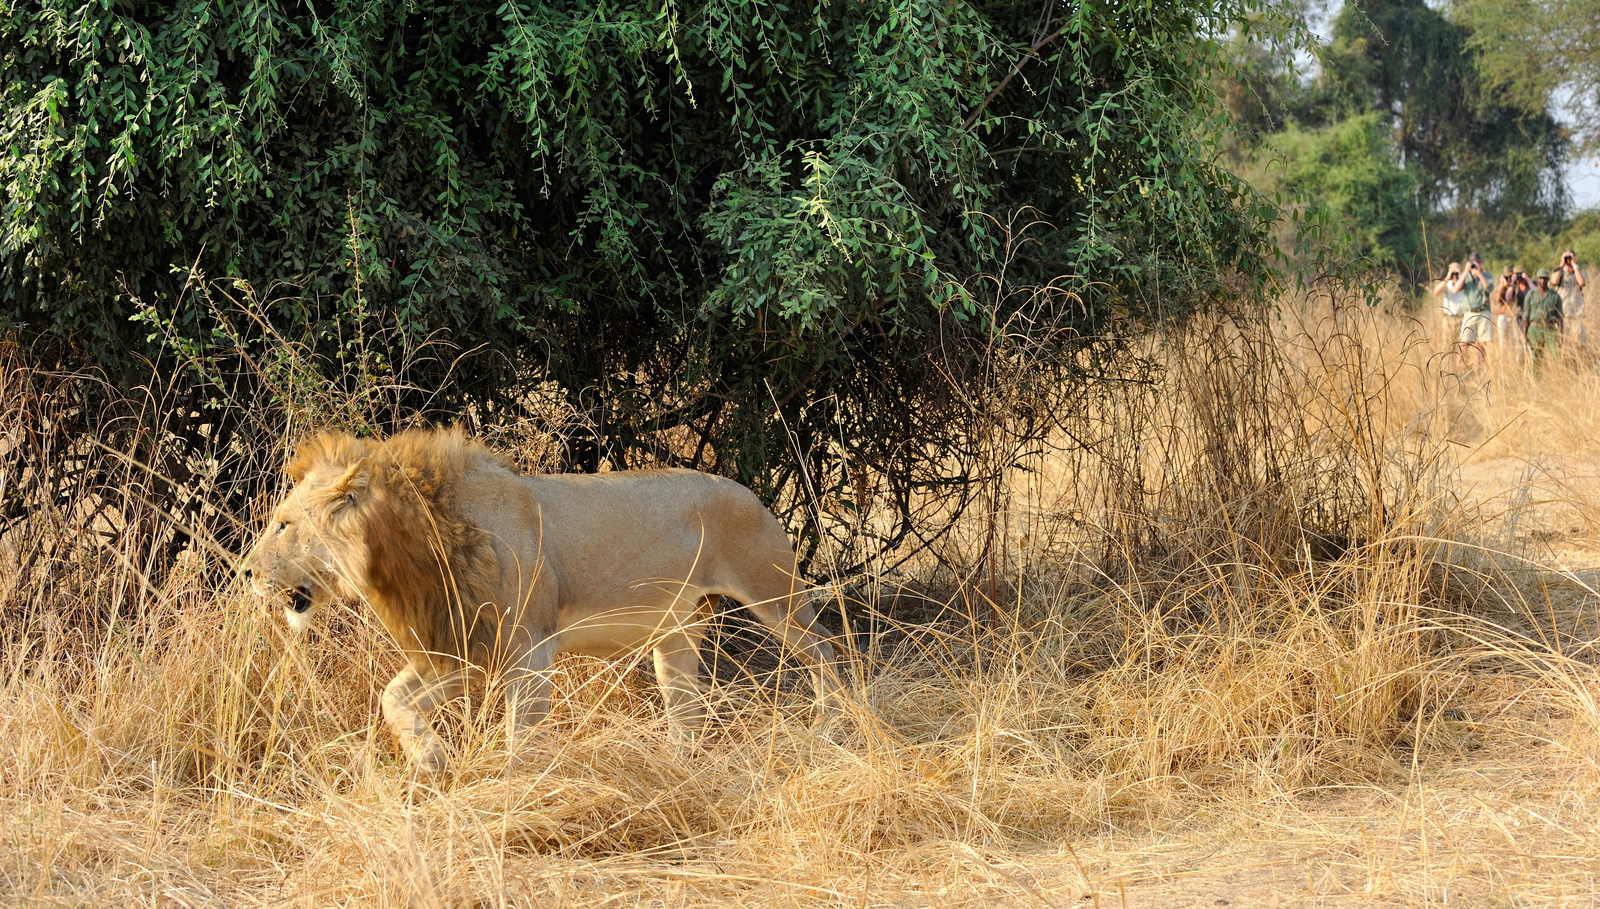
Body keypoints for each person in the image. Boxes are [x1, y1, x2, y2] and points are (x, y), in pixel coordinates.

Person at [1448, 256, 1493, 367]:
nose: (1476, 264)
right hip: (1469, 313)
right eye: (1473, 262)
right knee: (1463, 343)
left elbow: (1488, 287)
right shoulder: (1466, 276)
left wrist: (1479, 273)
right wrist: (1466, 271)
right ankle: (1459, 369)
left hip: (1483, 312)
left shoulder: (1487, 276)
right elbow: (1456, 288)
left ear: (1481, 263)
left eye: (1478, 262)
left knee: (1481, 344)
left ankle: (1480, 369)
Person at [1523, 268, 1563, 365]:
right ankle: (1536, 379)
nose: (1542, 281)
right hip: (1534, 328)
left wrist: (1560, 335)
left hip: (1550, 329)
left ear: (1548, 279)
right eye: (1540, 278)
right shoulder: (1531, 295)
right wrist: (1524, 335)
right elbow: (1526, 317)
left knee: (1555, 356)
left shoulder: (1555, 296)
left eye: (1545, 278)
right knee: (1536, 358)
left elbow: (1559, 318)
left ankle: (1556, 377)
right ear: (1536, 279)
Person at [1494, 264, 1529, 362]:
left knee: (1517, 343)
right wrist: (1503, 285)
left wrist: (1513, 284)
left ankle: (1517, 364)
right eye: (1507, 276)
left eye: (1510, 276)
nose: (1509, 279)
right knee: (1503, 343)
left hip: (1515, 317)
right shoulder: (1502, 286)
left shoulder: (1517, 285)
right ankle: (1503, 363)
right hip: (1503, 316)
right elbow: (1497, 299)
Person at [1551, 249, 1585, 347]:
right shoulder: (1560, 272)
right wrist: (1561, 264)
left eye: (1570, 257)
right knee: (1562, 343)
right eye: (1567, 258)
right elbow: (1554, 281)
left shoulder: (1579, 271)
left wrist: (1574, 265)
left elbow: (1582, 282)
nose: (1568, 260)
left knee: (1579, 343)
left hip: (1577, 314)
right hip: (1562, 314)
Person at [1433, 261, 1466, 342]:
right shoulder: (1447, 284)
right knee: (1447, 345)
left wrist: (1461, 276)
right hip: (1448, 319)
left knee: (1461, 346)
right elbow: (1436, 292)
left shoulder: (1465, 285)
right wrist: (1447, 277)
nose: (1455, 275)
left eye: (1456, 272)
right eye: (1453, 272)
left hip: (1461, 318)